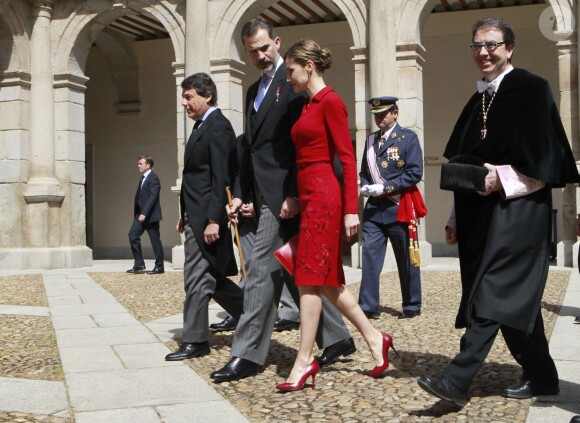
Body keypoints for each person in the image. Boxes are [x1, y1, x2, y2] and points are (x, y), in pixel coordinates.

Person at [418, 17, 580, 406]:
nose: (484, 52)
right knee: (513, 298)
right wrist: (455, 216)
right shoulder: (479, 100)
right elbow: (466, 161)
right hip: (483, 214)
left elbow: (546, 162)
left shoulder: (532, 89)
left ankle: (456, 380)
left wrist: (501, 178)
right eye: (477, 46)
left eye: (492, 44)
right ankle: (542, 376)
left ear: (509, 48)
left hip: (520, 210)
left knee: (493, 292)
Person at [210, 19, 354, 382]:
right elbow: (252, 149)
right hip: (261, 193)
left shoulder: (293, 84)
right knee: (295, 267)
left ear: (276, 41)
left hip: (288, 194)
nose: (260, 55)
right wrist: (242, 193)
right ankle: (338, 338)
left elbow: (300, 147)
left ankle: (247, 354)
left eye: (264, 47)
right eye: (252, 51)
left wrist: (292, 193)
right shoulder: (252, 91)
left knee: (260, 271)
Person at [276, 39, 397, 392]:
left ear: (308, 66)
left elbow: (346, 159)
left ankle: (303, 361)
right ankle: (376, 339)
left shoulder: (331, 102)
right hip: (311, 195)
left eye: (291, 71)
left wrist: (349, 210)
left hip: (327, 198)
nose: (289, 78)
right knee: (323, 281)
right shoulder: (307, 105)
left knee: (307, 278)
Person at [165, 72, 244, 361]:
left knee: (196, 278)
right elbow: (194, 179)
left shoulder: (219, 127)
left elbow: (221, 177)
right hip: (195, 215)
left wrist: (213, 219)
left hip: (207, 218)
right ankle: (252, 312)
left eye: (189, 97)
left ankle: (196, 340)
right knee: (213, 277)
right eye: (183, 98)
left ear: (207, 95)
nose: (184, 103)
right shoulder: (202, 126)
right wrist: (184, 215)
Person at [359, 97, 424, 319]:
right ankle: (368, 305)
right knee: (369, 257)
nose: (379, 118)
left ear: (395, 113)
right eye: (376, 115)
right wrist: (365, 186)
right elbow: (364, 173)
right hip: (374, 209)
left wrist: (385, 187)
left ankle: (412, 304)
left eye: (383, 114)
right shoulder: (369, 142)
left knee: (406, 258)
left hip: (399, 207)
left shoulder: (407, 138)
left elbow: (415, 173)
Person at [127, 155, 165, 275]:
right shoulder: (143, 178)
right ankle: (139, 264)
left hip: (150, 215)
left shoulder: (153, 178)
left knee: (155, 241)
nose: (138, 166)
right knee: (133, 235)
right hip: (140, 215)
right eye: (138, 163)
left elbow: (153, 197)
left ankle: (159, 266)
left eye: (140, 164)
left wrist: (145, 212)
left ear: (148, 165)